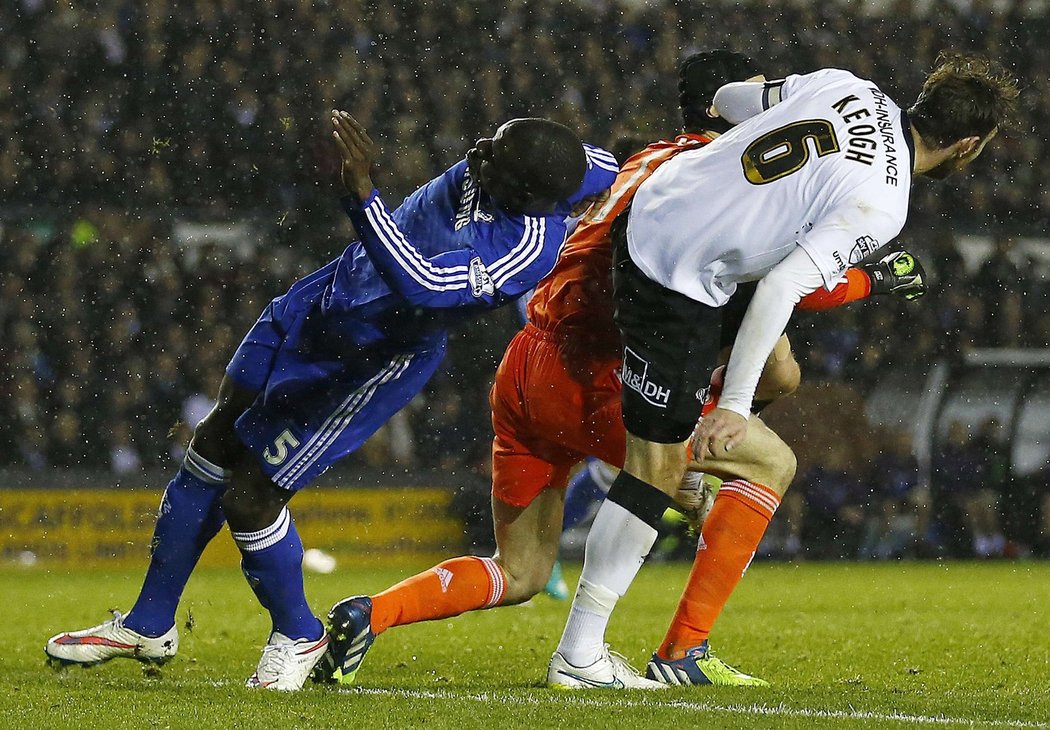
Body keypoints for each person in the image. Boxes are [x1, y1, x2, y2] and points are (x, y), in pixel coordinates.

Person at [316, 51, 930, 690]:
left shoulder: (640, 158)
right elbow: (778, 282)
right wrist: (869, 279)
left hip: (528, 364)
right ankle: (682, 649)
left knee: (520, 571)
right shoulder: (715, 182)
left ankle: (370, 613)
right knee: (765, 460)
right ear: (728, 104)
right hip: (598, 374)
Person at [44, 111, 618, 691]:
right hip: (320, 301)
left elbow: (419, 285)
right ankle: (149, 622)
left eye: (494, 157)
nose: (478, 150)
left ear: (523, 193)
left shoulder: (525, 250)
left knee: (251, 496)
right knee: (215, 438)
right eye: (492, 140)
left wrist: (363, 197)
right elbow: (622, 166)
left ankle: (298, 633)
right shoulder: (567, 167)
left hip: (367, 360)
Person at [554, 51, 1018, 686]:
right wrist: (734, 407)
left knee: (783, 375)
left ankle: (666, 447)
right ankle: (580, 654)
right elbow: (782, 288)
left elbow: (732, 99)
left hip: (660, 211)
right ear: (967, 145)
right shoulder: (886, 204)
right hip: (676, 274)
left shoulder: (847, 85)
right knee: (655, 470)